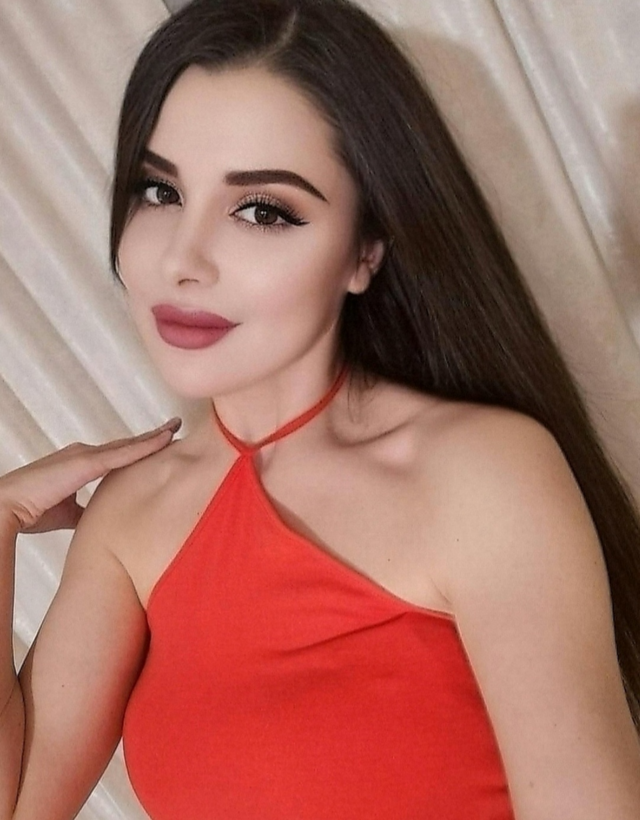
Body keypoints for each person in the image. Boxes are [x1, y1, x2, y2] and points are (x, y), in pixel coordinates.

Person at [1, 0, 640, 817]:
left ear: (365, 250)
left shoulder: (478, 473)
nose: (182, 259)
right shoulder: (132, 514)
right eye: (159, 191)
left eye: (262, 210)